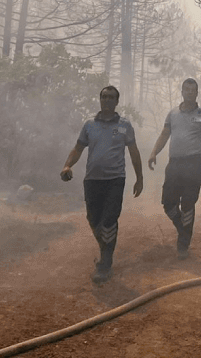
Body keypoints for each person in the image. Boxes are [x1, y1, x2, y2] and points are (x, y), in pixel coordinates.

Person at [60, 85, 143, 284]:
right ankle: (106, 250)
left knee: (108, 220)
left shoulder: (124, 125)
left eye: (111, 97)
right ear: (100, 100)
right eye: (104, 97)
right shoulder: (89, 124)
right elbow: (78, 148)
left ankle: (105, 264)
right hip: (92, 180)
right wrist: (67, 165)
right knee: (93, 219)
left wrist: (140, 178)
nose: (106, 100)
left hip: (115, 179)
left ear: (117, 102)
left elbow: (133, 151)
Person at [147, 78, 201, 259]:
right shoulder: (172, 114)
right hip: (174, 163)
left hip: (194, 163)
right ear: (181, 91)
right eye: (186, 89)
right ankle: (183, 230)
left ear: (197, 93)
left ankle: (183, 245)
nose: (189, 92)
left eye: (192, 90)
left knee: (187, 204)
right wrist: (154, 152)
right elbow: (164, 134)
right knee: (168, 203)